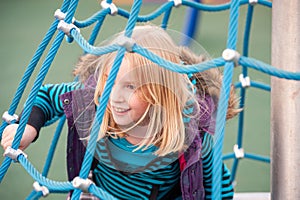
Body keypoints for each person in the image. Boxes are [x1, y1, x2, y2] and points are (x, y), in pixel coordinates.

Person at [1, 25, 240, 200]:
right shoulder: (95, 99)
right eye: (109, 80)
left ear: (160, 93)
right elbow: (46, 96)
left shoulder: (190, 130)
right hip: (99, 193)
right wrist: (28, 129)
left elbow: (216, 183)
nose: (114, 97)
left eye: (130, 86)